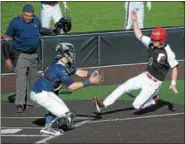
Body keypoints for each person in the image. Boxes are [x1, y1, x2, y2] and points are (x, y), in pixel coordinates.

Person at [93, 11, 179, 113]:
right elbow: (139, 35)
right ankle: (104, 104)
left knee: (136, 106)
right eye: (153, 38)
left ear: (162, 41)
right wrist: (134, 22)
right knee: (124, 86)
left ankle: (153, 100)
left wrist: (173, 84)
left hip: (154, 84)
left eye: (156, 39)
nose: (153, 40)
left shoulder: (168, 53)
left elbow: (174, 68)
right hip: (145, 75)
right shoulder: (151, 43)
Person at [30, 42, 102, 136]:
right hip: (41, 94)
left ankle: (49, 124)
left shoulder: (63, 62)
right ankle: (49, 128)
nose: (73, 54)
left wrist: (92, 75)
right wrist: (90, 82)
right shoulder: (59, 68)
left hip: (45, 92)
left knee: (67, 114)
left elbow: (78, 72)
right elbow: (72, 87)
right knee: (69, 116)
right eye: (71, 51)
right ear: (65, 53)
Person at [3, 4, 42, 113]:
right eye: (26, 15)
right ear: (22, 14)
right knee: (21, 79)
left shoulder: (36, 20)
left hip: (34, 54)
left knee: (33, 80)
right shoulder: (15, 22)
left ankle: (31, 101)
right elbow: (6, 39)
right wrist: (7, 58)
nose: (28, 17)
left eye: (30, 16)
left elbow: (40, 30)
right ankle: (20, 103)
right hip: (21, 55)